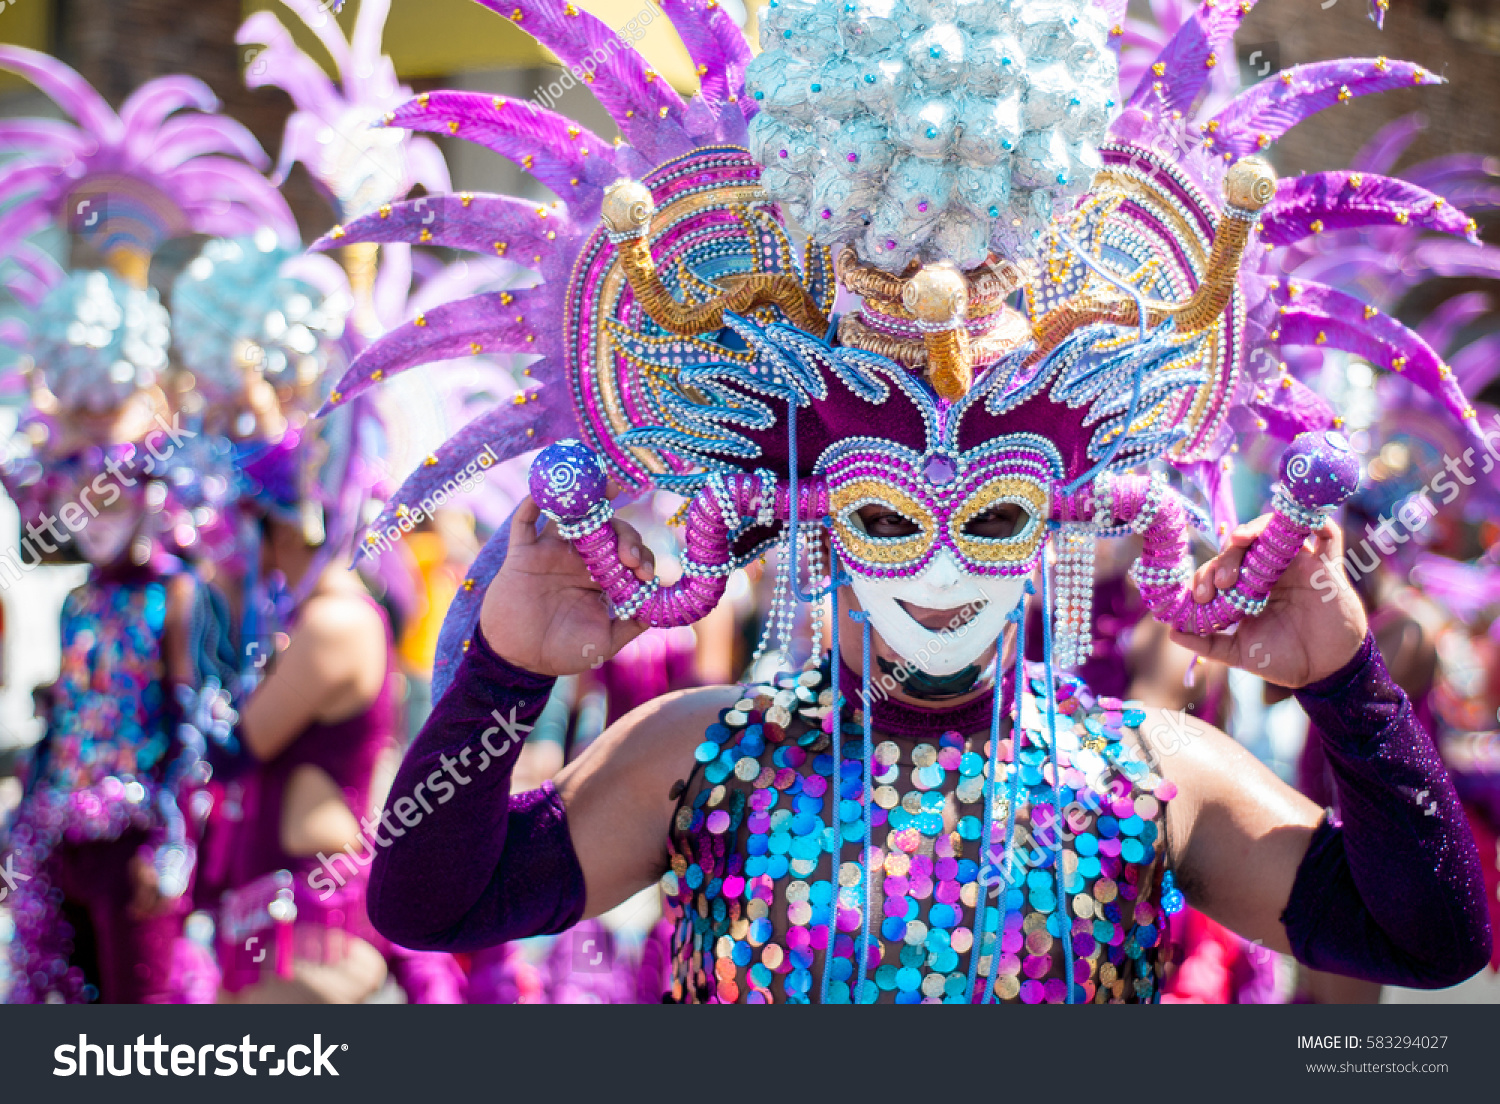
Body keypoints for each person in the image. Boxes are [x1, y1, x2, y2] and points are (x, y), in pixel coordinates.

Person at [317, 0, 1492, 1002]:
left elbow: (1433, 941)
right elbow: (428, 901)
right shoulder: (704, 757)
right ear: (817, 518)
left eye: (992, 518)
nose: (941, 574)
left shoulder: (1150, 777)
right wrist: (505, 669)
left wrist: (1345, 681)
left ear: (1057, 525)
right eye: (887, 516)